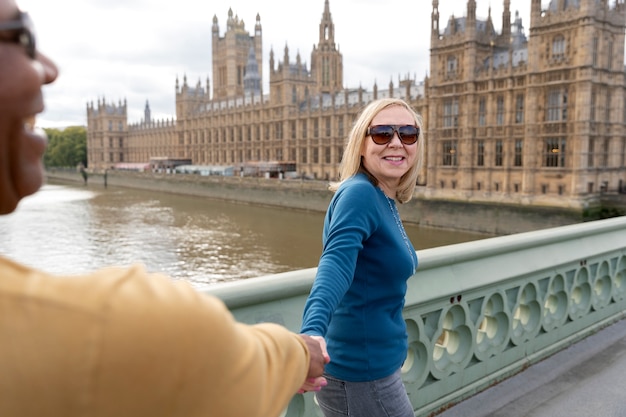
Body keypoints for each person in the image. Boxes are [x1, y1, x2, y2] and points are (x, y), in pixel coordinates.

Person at [0, 1, 328, 416]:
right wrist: (299, 351)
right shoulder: (126, 322)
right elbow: (236, 362)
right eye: (21, 36)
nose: (48, 67)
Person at [300, 98, 425, 416]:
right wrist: (312, 332)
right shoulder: (359, 194)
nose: (396, 142)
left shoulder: (382, 194)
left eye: (408, 134)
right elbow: (335, 262)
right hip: (361, 375)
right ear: (361, 144)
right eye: (383, 133)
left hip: (376, 367)